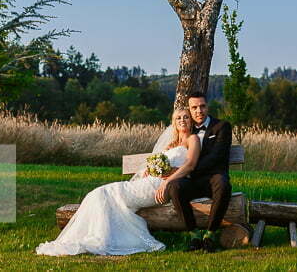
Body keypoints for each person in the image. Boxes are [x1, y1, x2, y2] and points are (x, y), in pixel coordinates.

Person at [35, 108, 201, 256]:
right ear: (174, 122)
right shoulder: (171, 144)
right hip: (149, 181)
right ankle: (99, 237)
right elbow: (156, 164)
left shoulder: (192, 139)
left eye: (186, 117)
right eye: (178, 118)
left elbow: (190, 165)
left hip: (159, 187)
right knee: (100, 194)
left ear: (191, 120)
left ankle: (101, 239)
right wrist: (150, 169)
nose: (182, 120)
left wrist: (167, 181)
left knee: (103, 194)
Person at [164, 92, 233, 253]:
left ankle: (210, 235)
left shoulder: (222, 127)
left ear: (207, 106)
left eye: (202, 106)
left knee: (223, 184)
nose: (198, 111)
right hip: (191, 182)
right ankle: (193, 234)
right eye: (194, 108)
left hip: (212, 178)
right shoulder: (185, 128)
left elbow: (216, 157)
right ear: (189, 109)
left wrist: (187, 170)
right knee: (175, 186)